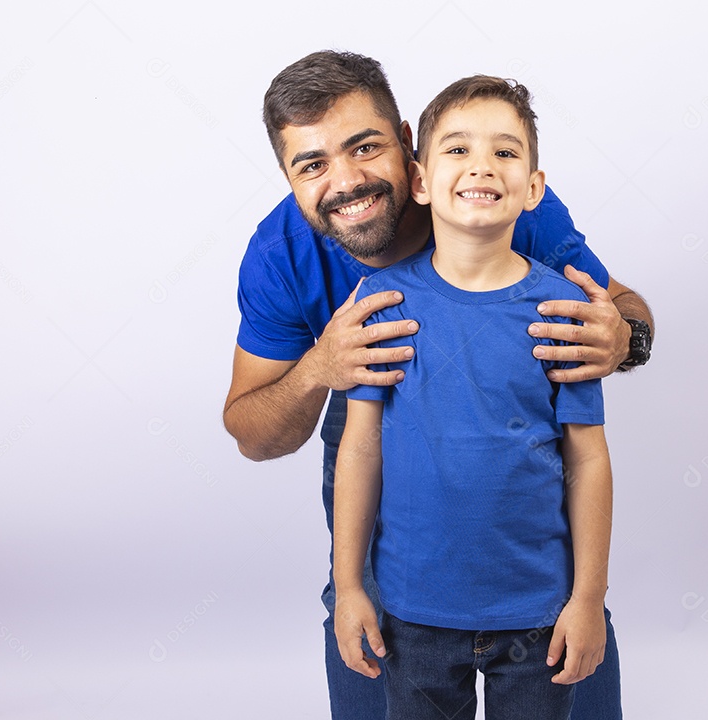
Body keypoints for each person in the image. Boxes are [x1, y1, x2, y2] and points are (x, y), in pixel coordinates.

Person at [223, 50, 652, 719]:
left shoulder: (495, 195)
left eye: (364, 147)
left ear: (407, 150)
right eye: (312, 164)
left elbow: (622, 310)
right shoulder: (281, 253)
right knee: (373, 636)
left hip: (523, 455)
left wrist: (624, 337)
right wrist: (320, 368)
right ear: (288, 177)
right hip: (373, 399)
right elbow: (253, 435)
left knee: (570, 661)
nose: (346, 180)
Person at [332, 75, 613, 720]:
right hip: (413, 613)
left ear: (534, 188)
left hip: (538, 614)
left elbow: (589, 459)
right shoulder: (383, 305)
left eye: (505, 152)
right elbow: (361, 449)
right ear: (420, 180)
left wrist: (588, 598)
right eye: (457, 149)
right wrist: (349, 585)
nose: (482, 165)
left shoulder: (563, 311)